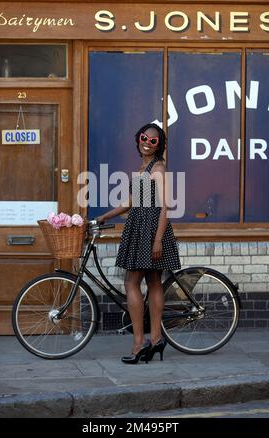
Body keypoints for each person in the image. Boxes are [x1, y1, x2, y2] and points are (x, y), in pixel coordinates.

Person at [97, 123, 181, 364]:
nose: (147, 142)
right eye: (144, 138)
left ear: (159, 145)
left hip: (151, 229)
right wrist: (104, 216)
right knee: (153, 281)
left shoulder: (159, 169)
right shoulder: (145, 167)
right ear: (138, 139)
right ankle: (155, 340)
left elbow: (166, 207)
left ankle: (139, 342)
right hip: (141, 225)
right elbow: (131, 202)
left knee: (131, 281)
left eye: (153, 141)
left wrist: (157, 241)